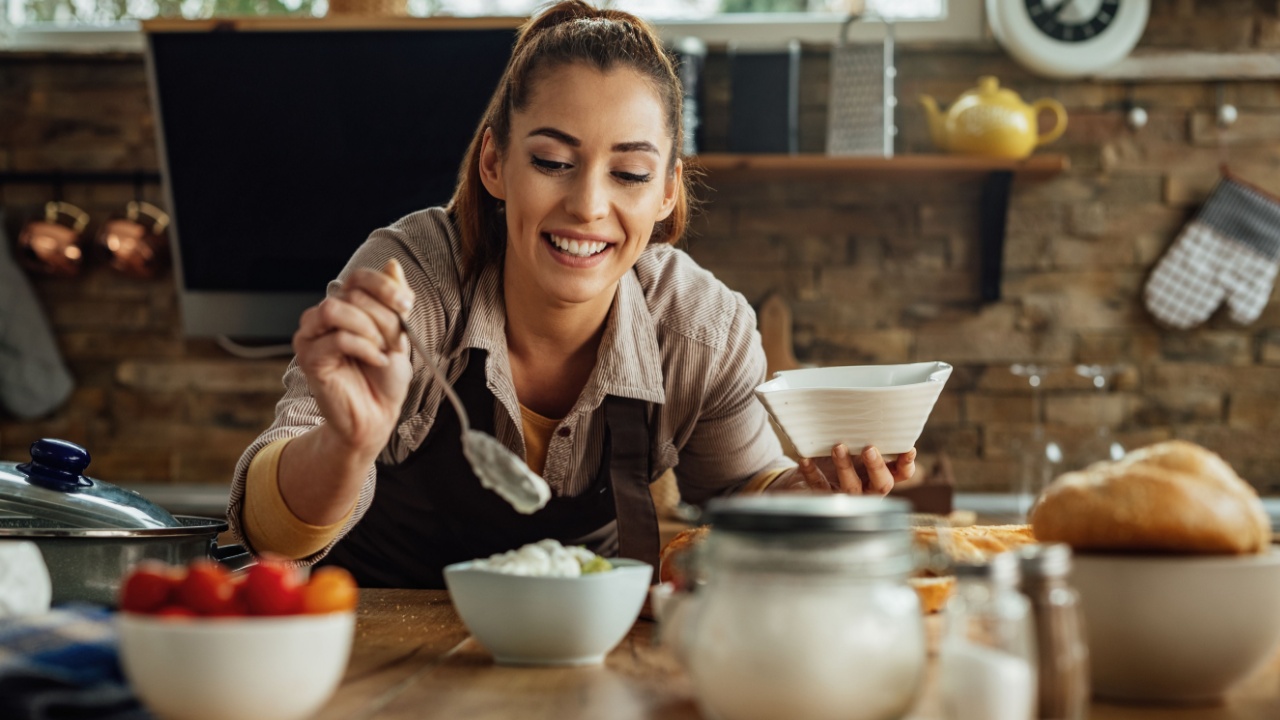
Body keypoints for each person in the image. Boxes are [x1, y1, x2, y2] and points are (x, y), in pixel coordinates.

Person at [227, 0, 916, 588]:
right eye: (553, 162)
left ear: (668, 189)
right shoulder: (411, 283)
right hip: (378, 649)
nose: (588, 205)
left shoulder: (701, 328)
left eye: (630, 173)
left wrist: (816, 493)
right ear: (494, 162)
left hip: (584, 656)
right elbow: (266, 535)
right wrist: (345, 446)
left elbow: (742, 497)